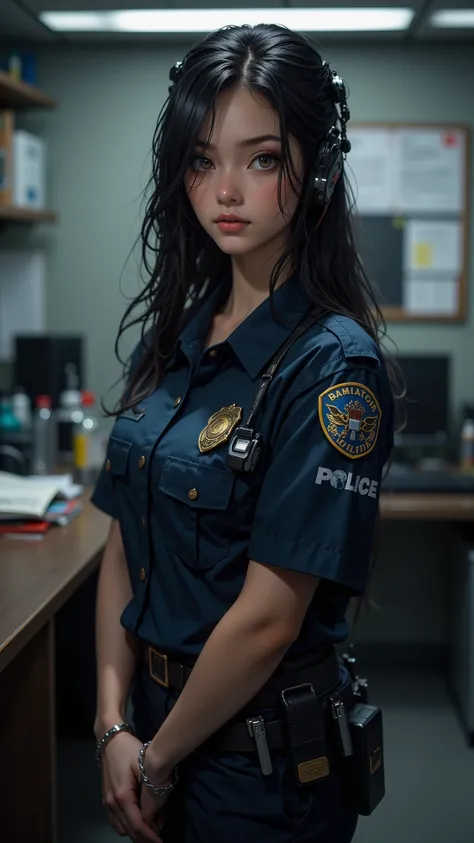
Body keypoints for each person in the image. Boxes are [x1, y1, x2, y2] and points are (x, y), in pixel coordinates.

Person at [92, 22, 395, 843]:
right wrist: (113, 722)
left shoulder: (334, 367)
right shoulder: (177, 337)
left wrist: (154, 760)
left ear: (318, 170)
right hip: (151, 727)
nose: (225, 189)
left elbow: (268, 617)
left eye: (260, 159)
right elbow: (124, 538)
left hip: (255, 769)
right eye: (201, 159)